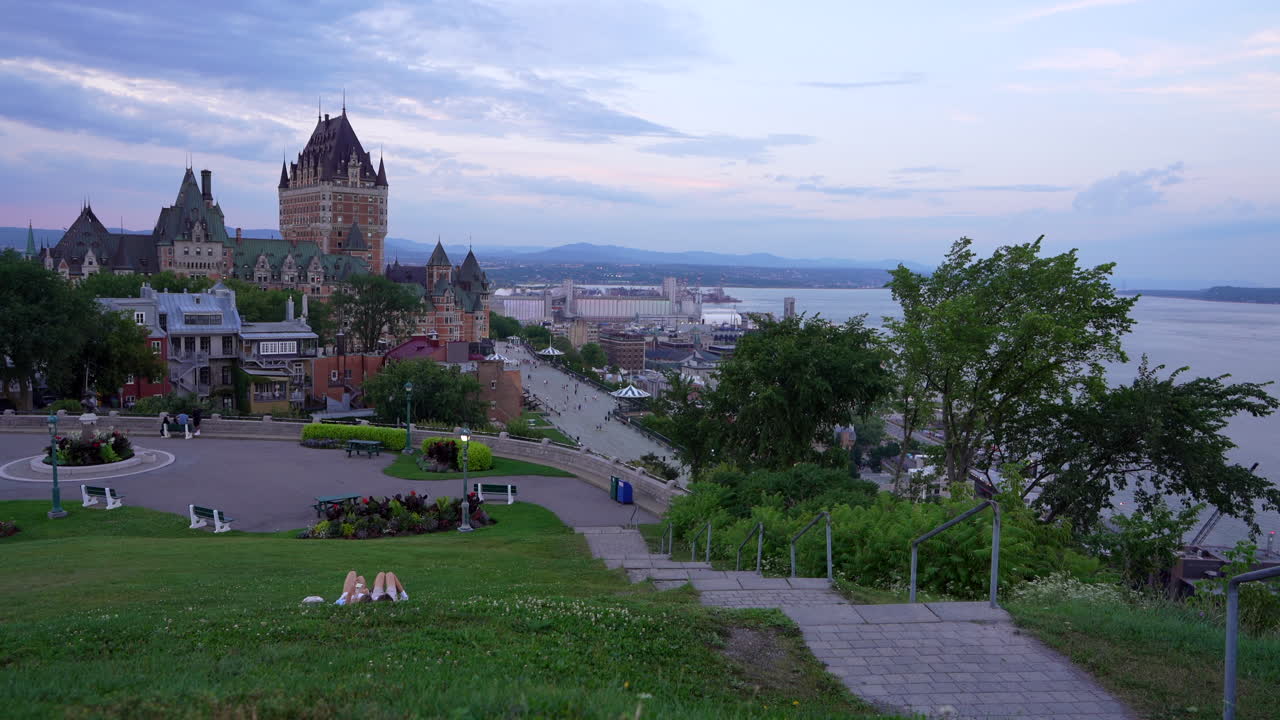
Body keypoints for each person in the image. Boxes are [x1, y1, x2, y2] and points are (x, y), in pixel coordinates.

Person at [334, 570, 408, 605]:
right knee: (384, 574)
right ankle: (405, 597)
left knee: (354, 574)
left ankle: (369, 591)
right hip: (383, 597)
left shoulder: (351, 602)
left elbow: (350, 596)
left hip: (366, 596)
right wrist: (361, 591)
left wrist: (354, 589)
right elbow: (355, 595)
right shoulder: (359, 599)